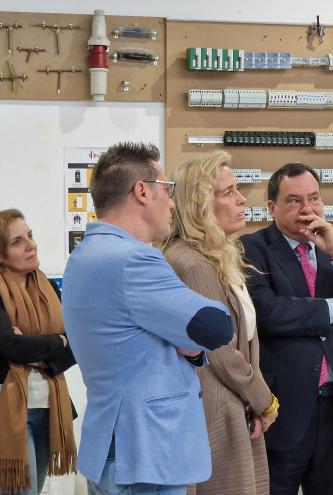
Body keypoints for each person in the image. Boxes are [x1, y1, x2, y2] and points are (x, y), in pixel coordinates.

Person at [62, 142, 235, 495]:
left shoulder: (86, 254)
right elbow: (216, 326)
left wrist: (187, 343)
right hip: (142, 452)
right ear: (142, 191)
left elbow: (140, 338)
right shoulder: (134, 260)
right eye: (167, 190)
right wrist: (189, 340)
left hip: (120, 444)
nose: (172, 203)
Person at [240, 163, 333, 495]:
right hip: (280, 412)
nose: (307, 210)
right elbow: (269, 313)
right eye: (294, 201)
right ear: (271, 208)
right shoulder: (251, 250)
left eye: (314, 199)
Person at [163, 152, 277, 495]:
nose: (241, 199)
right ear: (199, 204)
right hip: (216, 410)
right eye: (228, 192)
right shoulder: (193, 263)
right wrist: (263, 400)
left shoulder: (213, 257)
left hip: (230, 406)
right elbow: (221, 347)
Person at [0, 209, 77, 495]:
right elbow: (9, 345)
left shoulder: (46, 287)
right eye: (17, 241)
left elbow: (77, 345)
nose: (31, 245)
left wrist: (35, 346)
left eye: (30, 236)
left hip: (49, 407)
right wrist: (56, 342)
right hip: (6, 410)